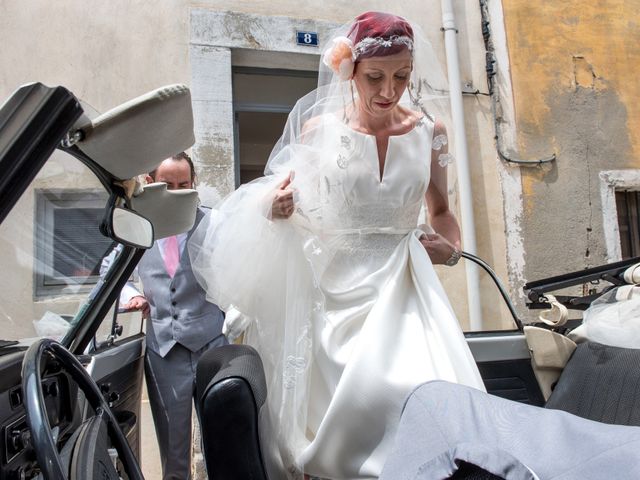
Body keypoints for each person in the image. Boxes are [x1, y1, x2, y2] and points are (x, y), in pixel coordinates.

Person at [189, 11, 483, 480]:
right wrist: (278, 206)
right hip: (333, 297)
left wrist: (449, 246)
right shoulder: (318, 132)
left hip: (406, 286)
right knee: (332, 432)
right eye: (375, 77)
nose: (389, 91)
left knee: (424, 395)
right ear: (348, 72)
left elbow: (443, 211)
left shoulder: (432, 132)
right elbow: (292, 205)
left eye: (402, 77)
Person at [105, 152, 227, 480]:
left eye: (183, 184)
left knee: (221, 441)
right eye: (167, 184)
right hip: (164, 350)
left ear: (194, 184)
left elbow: (237, 268)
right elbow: (109, 268)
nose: (176, 191)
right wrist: (132, 296)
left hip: (211, 344)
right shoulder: (137, 225)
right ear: (151, 183)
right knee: (173, 450)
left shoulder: (212, 222)